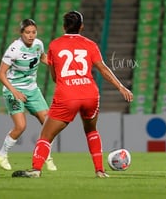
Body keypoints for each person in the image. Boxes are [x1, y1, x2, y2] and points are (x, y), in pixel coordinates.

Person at [12, 11, 133, 178]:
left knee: (46, 135)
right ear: (81, 26)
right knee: (91, 130)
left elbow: (55, 77)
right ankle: (100, 171)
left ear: (64, 27)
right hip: (90, 94)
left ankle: (36, 170)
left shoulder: (54, 45)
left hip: (67, 95)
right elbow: (103, 69)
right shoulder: (90, 44)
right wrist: (121, 87)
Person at [0, 19, 57, 171]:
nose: (31, 35)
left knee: (50, 124)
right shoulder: (14, 49)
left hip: (32, 90)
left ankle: (45, 155)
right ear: (21, 33)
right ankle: (2, 154)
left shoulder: (38, 44)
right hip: (13, 89)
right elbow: (0, 74)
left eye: (33, 32)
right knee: (21, 126)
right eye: (27, 32)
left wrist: (54, 63)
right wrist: (14, 91)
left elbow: (42, 57)